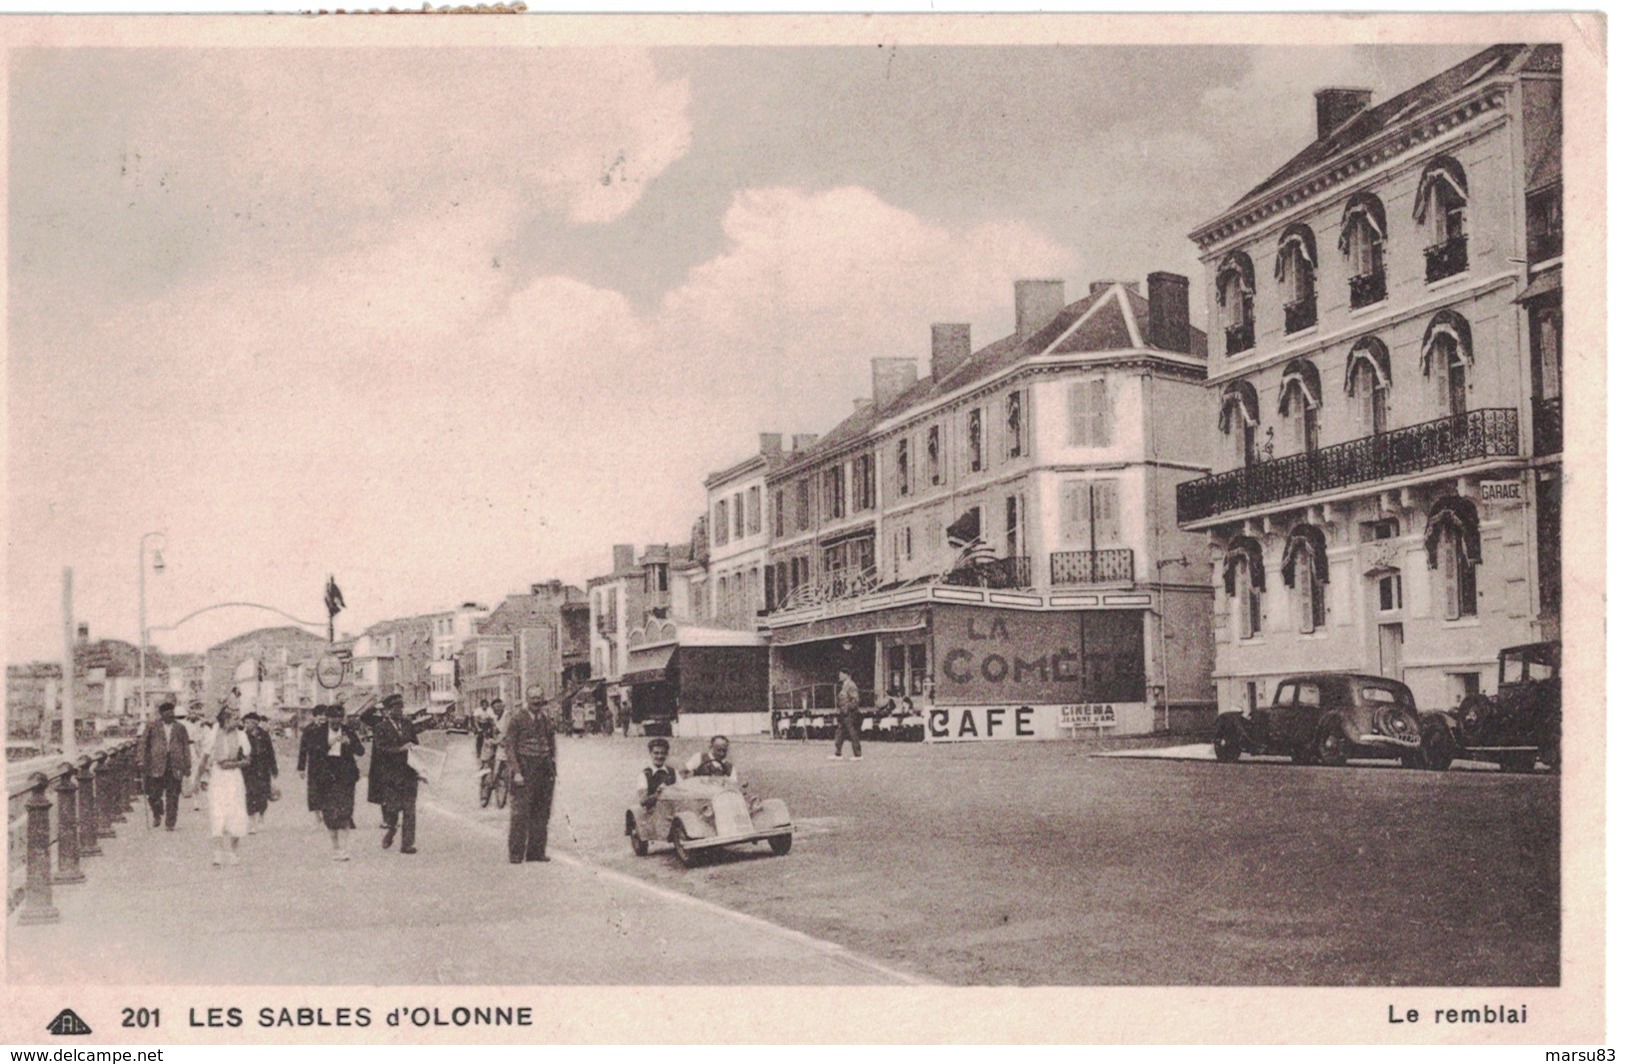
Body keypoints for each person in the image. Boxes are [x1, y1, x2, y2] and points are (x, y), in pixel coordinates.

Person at [300, 703, 364, 860]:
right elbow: (312, 752)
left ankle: (345, 848)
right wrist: (328, 744)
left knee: (345, 811)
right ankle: (336, 847)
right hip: (326, 776)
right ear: (327, 719)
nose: (335, 721)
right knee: (330, 813)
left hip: (345, 775)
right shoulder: (318, 732)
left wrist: (350, 743)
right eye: (332, 718)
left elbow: (361, 751)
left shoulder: (348, 731)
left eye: (338, 718)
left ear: (342, 719)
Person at [502, 686, 557, 864]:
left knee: (542, 814)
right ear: (527, 699)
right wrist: (516, 772)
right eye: (533, 698)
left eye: (539, 698)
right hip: (524, 772)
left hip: (543, 772)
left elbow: (551, 744)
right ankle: (516, 854)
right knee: (520, 815)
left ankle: (536, 852)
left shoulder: (546, 720)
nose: (536, 701)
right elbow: (510, 747)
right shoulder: (517, 720)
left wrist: (552, 768)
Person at [367, 693, 420, 854]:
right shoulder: (380, 728)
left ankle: (407, 844)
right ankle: (391, 830)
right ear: (388, 710)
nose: (400, 710)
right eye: (396, 707)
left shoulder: (408, 724)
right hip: (391, 775)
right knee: (392, 809)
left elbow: (416, 744)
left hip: (409, 773)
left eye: (401, 707)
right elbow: (381, 749)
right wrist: (399, 750)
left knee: (410, 810)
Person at [198, 707, 251, 866]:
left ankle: (234, 852)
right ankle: (217, 854)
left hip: (234, 777)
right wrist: (197, 778)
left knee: (236, 813)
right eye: (235, 718)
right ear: (226, 720)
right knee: (217, 812)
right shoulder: (214, 734)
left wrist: (233, 764)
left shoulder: (241, 735)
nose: (238, 721)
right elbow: (204, 757)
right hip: (218, 777)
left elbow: (248, 759)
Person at [137, 701, 192, 830]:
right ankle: (157, 813)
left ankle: (170, 823)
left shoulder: (180, 728)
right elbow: (143, 744)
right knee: (154, 794)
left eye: (172, 712)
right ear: (161, 714)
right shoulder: (152, 727)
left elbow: (186, 747)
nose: (170, 715)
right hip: (156, 765)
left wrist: (187, 766)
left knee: (173, 795)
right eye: (167, 713)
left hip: (175, 765)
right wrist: (140, 760)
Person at [242, 712, 279, 831]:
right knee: (250, 794)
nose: (246, 724)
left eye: (249, 722)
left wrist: (274, 769)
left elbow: (270, 752)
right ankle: (252, 822)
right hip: (249, 769)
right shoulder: (243, 735)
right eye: (245, 722)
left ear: (256, 723)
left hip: (263, 768)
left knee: (263, 794)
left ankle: (262, 816)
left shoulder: (264, 735)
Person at [831, 668, 864, 761]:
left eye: (841, 674)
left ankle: (858, 754)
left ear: (847, 675)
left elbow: (855, 700)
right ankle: (838, 753)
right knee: (840, 732)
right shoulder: (845, 685)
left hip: (849, 713)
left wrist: (848, 708)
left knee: (852, 732)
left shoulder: (851, 685)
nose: (840, 676)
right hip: (843, 712)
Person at [635, 738, 677, 809]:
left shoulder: (673, 772)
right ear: (650, 753)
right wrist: (658, 793)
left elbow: (684, 791)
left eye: (662, 753)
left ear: (667, 754)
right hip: (653, 813)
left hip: (673, 810)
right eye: (656, 753)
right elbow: (642, 801)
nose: (659, 756)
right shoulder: (644, 775)